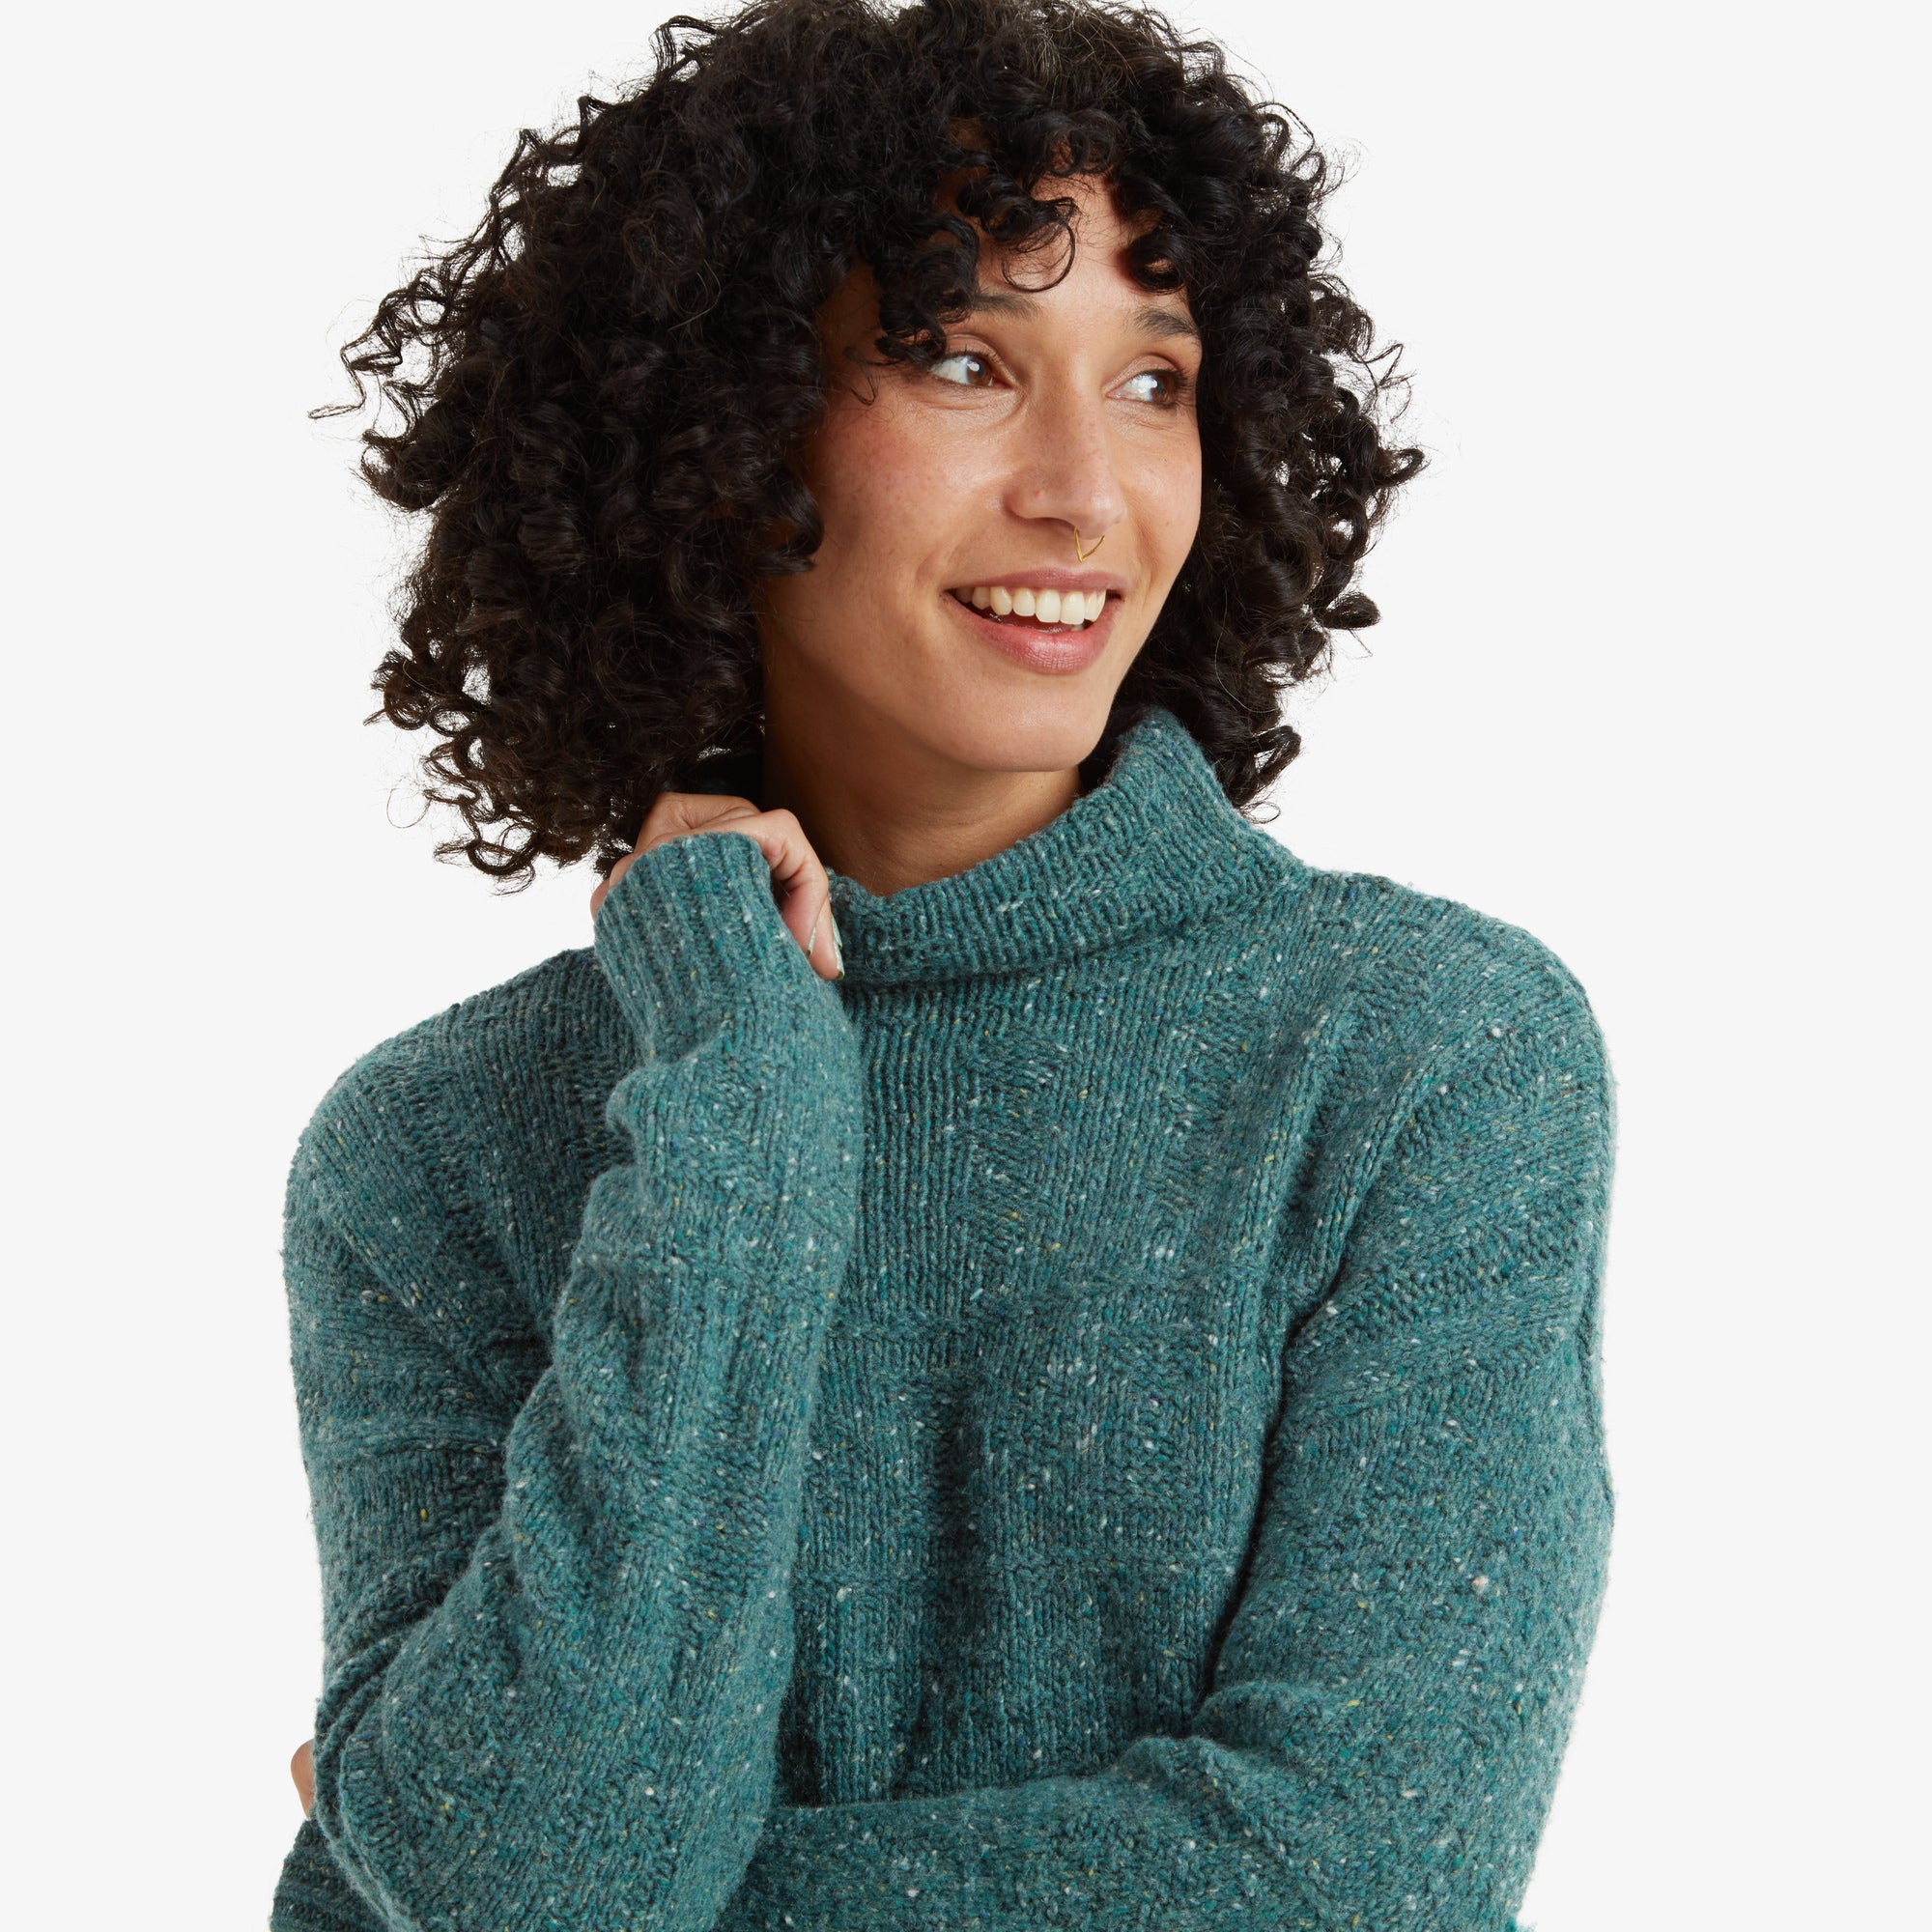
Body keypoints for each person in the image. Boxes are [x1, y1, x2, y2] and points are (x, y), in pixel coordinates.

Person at [272, 2, 1618, 1926]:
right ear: (724, 436)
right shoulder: (435, 1150)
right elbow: (537, 1866)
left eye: (1154, 383)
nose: (1087, 489)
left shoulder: (1420, 1058)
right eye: (967, 361)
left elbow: (1355, 1881)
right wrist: (738, 1106)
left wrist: (437, 1864)